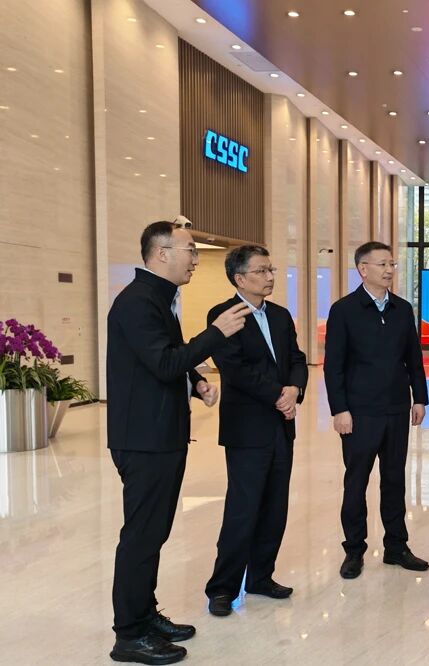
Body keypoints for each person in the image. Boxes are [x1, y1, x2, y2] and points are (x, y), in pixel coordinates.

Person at [106, 221, 249, 665]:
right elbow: (164, 362)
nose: (195, 258)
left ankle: (145, 615)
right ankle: (129, 635)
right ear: (161, 253)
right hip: (143, 439)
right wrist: (216, 333)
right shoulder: (137, 302)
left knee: (154, 533)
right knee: (141, 536)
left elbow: (166, 360)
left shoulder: (158, 299)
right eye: (189, 249)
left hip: (161, 434)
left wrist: (196, 382)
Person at [204, 245, 308, 618]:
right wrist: (278, 395)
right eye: (261, 271)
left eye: (271, 270)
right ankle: (222, 588)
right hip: (247, 428)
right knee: (243, 508)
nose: (270, 277)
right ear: (239, 278)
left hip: (282, 424)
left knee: (275, 506)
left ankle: (261, 576)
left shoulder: (280, 315)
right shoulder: (223, 315)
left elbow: (297, 359)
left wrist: (294, 389)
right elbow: (233, 368)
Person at [324, 241, 429, 580]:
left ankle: (396, 547)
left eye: (392, 264)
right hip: (359, 413)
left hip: (396, 409)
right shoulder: (344, 310)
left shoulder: (402, 309)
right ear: (363, 269)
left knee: (394, 480)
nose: (389, 270)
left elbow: (413, 358)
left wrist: (419, 398)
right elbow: (333, 366)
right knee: (356, 482)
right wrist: (340, 409)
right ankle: (354, 550)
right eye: (382, 264)